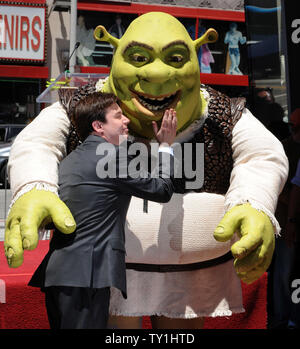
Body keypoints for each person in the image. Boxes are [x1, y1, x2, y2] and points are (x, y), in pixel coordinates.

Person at [5, 13, 288, 330]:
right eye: (138, 57)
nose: (156, 73)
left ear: (194, 59)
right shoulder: (86, 108)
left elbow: (262, 154)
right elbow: (36, 143)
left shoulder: (221, 113)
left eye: (176, 58)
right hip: (111, 274)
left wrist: (254, 203)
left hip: (190, 280)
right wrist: (35, 188)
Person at [28, 90, 177, 329]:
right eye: (118, 116)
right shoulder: (111, 158)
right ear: (98, 126)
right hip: (86, 276)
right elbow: (162, 190)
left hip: (61, 273)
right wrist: (166, 146)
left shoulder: (69, 160)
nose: (126, 120)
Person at [268, 109, 300, 329]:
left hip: (290, 220)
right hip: (287, 221)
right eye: (293, 127)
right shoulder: (285, 149)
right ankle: (282, 317)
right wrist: (292, 220)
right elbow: (282, 187)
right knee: (285, 271)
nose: (295, 131)